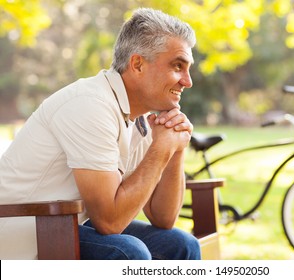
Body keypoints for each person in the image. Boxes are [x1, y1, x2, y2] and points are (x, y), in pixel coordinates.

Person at [0, 8, 200, 260]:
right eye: (177, 66)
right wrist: (161, 149)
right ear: (137, 64)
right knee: (127, 253)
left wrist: (175, 147)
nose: (188, 81)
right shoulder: (90, 104)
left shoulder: (141, 117)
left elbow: (164, 217)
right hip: (20, 234)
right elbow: (109, 221)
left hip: (63, 224)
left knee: (180, 244)